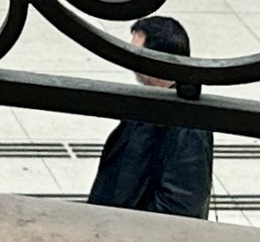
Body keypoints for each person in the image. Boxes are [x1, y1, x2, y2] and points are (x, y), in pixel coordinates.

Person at [86, 15, 210, 219]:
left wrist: (127, 229)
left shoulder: (186, 124)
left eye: (137, 54)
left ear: (159, 61)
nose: (131, 61)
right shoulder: (151, 103)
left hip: (134, 237)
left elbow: (181, 205)